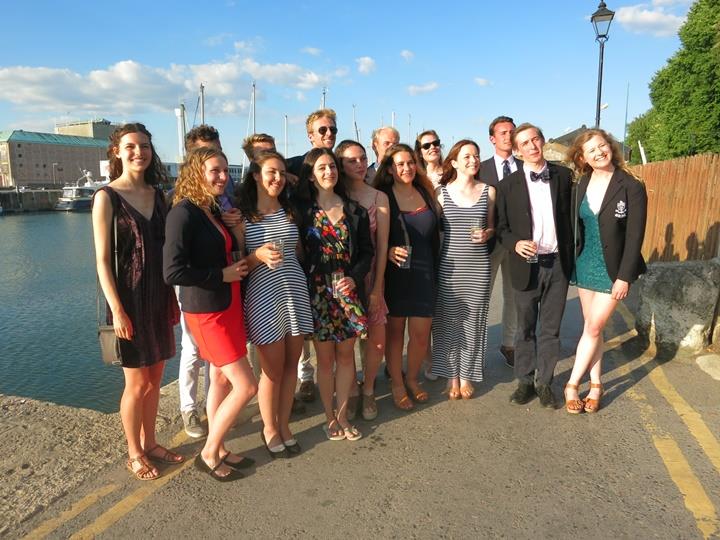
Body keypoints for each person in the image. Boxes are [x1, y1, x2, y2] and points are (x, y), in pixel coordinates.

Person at [92, 123, 182, 481]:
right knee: (136, 384)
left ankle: (151, 441)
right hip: (128, 300)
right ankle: (134, 451)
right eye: (130, 146)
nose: (138, 152)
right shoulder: (106, 197)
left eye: (144, 146)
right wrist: (116, 308)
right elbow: (101, 260)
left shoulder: (158, 195)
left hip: (159, 297)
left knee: (155, 379)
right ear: (117, 151)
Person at [164, 147, 258, 481]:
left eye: (224, 171)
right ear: (195, 172)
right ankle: (208, 452)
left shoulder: (211, 208)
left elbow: (222, 251)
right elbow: (172, 271)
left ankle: (218, 447)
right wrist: (221, 275)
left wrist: (236, 235)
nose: (222, 177)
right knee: (247, 387)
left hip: (227, 303)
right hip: (207, 312)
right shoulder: (183, 213)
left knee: (219, 378)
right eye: (214, 171)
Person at [235, 151, 314, 455]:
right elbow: (239, 265)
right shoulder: (241, 217)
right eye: (271, 172)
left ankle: (284, 424)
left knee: (292, 365)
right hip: (263, 298)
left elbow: (299, 252)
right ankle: (269, 428)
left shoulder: (291, 211)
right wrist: (256, 257)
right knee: (271, 371)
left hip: (294, 292)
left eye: (282, 173)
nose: (277, 178)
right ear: (255, 174)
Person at [563, 129, 647, 414]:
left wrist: (624, 276)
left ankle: (572, 384)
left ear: (610, 147)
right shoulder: (581, 184)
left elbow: (635, 236)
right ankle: (596, 383)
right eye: (591, 150)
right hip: (586, 263)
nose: (599, 152)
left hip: (614, 269)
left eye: (602, 146)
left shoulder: (631, 185)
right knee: (592, 328)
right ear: (582, 158)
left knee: (594, 326)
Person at [495, 123, 574, 409]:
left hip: (557, 266)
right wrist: (515, 243)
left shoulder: (564, 177)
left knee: (550, 330)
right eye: (524, 143)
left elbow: (572, 220)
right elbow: (501, 228)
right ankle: (525, 381)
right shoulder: (507, 185)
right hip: (525, 265)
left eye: (535, 139)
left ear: (542, 141)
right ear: (516, 150)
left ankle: (545, 383)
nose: (532, 146)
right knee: (525, 329)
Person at [297, 148, 373, 440]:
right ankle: (329, 417)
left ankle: (342, 416)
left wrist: (354, 278)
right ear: (312, 177)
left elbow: (367, 251)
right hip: (317, 293)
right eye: (321, 169)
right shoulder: (302, 212)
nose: (329, 172)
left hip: (347, 291)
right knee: (324, 361)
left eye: (332, 166)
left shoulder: (355, 210)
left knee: (346, 357)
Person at [373, 144, 440, 411]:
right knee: (395, 333)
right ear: (390, 169)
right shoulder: (383, 197)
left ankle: (412, 379)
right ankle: (397, 383)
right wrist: (387, 251)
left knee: (421, 335)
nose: (406, 168)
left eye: (410, 162)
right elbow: (373, 234)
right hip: (396, 274)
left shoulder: (425, 191)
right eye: (400, 164)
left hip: (425, 272)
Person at [174, 125, 229, 439]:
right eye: (203, 151)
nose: (214, 160)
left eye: (216, 149)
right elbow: (174, 261)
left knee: (219, 355)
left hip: (224, 282)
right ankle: (188, 408)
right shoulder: (180, 199)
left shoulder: (224, 190)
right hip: (196, 286)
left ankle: (214, 404)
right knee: (193, 349)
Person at [432, 140, 495, 399]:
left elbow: (492, 227)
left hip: (479, 266)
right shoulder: (440, 193)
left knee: (473, 322)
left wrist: (487, 233)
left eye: (476, 155)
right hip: (449, 266)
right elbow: (434, 233)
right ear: (454, 162)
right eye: (467, 156)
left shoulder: (489, 191)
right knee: (447, 321)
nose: (473, 160)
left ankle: (467, 373)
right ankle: (451, 375)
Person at [286, 108, 339, 402]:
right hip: (299, 255)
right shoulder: (293, 166)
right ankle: (304, 378)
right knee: (302, 325)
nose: (328, 134)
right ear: (310, 135)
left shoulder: (340, 163)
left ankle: (338, 379)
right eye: (322, 130)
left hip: (332, 257)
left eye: (332, 129)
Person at [336, 139, 390, 420]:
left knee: (376, 339)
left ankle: (368, 388)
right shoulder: (332, 195)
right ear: (340, 165)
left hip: (370, 275)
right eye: (351, 160)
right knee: (344, 342)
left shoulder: (379, 198)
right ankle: (352, 389)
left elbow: (381, 247)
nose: (359, 164)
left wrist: (377, 287)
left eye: (362, 158)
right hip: (340, 278)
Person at [480, 116, 523, 369]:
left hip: (517, 243)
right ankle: (475, 347)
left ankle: (509, 345)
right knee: (481, 296)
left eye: (511, 132)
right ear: (492, 139)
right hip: (489, 242)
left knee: (514, 296)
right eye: (503, 132)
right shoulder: (481, 168)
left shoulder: (525, 166)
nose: (508, 136)